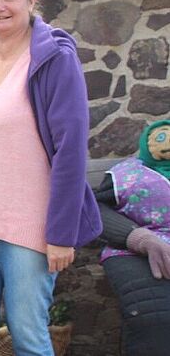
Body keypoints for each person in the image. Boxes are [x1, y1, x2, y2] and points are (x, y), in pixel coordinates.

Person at [0, 0, 102, 355]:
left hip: (30, 225)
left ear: (31, 0)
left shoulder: (54, 58)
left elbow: (70, 151)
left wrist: (61, 234)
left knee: (29, 334)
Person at [94, 120, 170, 356]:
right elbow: (94, 209)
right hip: (134, 251)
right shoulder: (126, 174)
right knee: (154, 316)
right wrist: (139, 238)